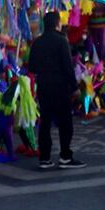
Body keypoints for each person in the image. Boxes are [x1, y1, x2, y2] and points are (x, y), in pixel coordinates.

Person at [27, 11, 86, 169]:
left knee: (45, 123)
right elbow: (68, 67)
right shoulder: (61, 41)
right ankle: (65, 156)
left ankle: (44, 158)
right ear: (57, 24)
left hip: (44, 86)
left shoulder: (37, 42)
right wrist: (74, 87)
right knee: (65, 122)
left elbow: (31, 67)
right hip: (60, 87)